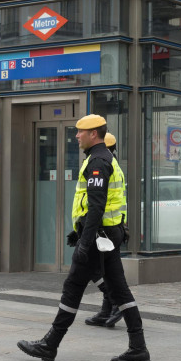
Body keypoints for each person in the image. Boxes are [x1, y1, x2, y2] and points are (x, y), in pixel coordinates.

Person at [18, 115, 150, 361]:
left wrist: (85, 241)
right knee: (119, 291)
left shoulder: (98, 161)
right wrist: (79, 232)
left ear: (94, 134)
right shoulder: (104, 158)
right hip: (107, 235)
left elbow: (98, 205)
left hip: (99, 237)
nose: (77, 136)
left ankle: (50, 344)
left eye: (81, 132)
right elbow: (100, 204)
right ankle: (138, 347)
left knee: (73, 287)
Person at [75, 131, 122, 328]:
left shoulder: (101, 164)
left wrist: (84, 238)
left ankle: (116, 303)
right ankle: (108, 308)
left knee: (95, 269)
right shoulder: (111, 164)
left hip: (103, 229)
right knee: (106, 271)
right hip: (108, 227)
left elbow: (97, 204)